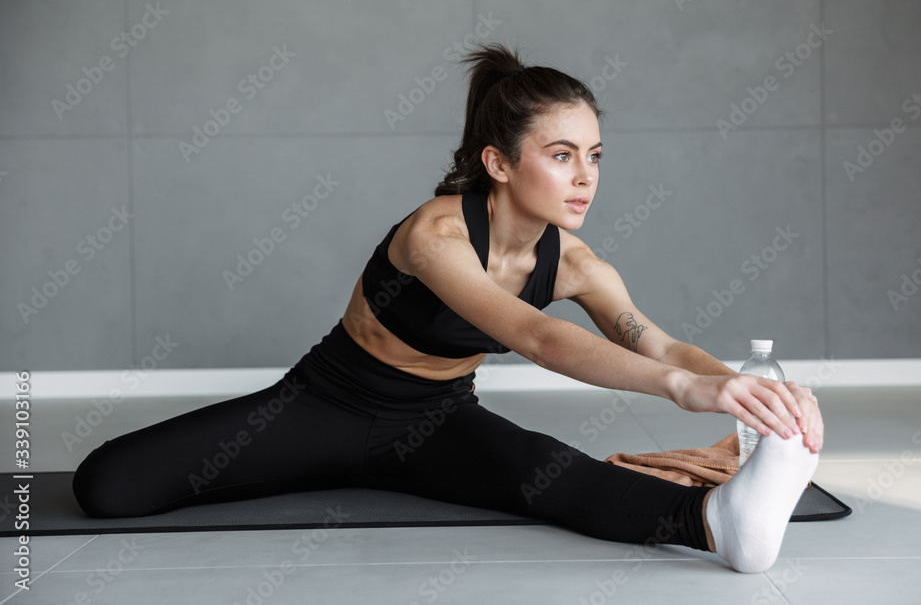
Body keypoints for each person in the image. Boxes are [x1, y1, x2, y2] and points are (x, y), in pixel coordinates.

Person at [73, 43, 823, 574]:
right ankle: (303, 466)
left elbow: (657, 343)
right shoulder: (435, 232)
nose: (584, 176)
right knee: (107, 487)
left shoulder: (578, 263)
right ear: (498, 163)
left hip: (434, 423)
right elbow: (531, 334)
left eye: (594, 155)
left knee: (546, 470)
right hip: (320, 407)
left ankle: (721, 523)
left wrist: (750, 390)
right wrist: (687, 390)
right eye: (560, 154)